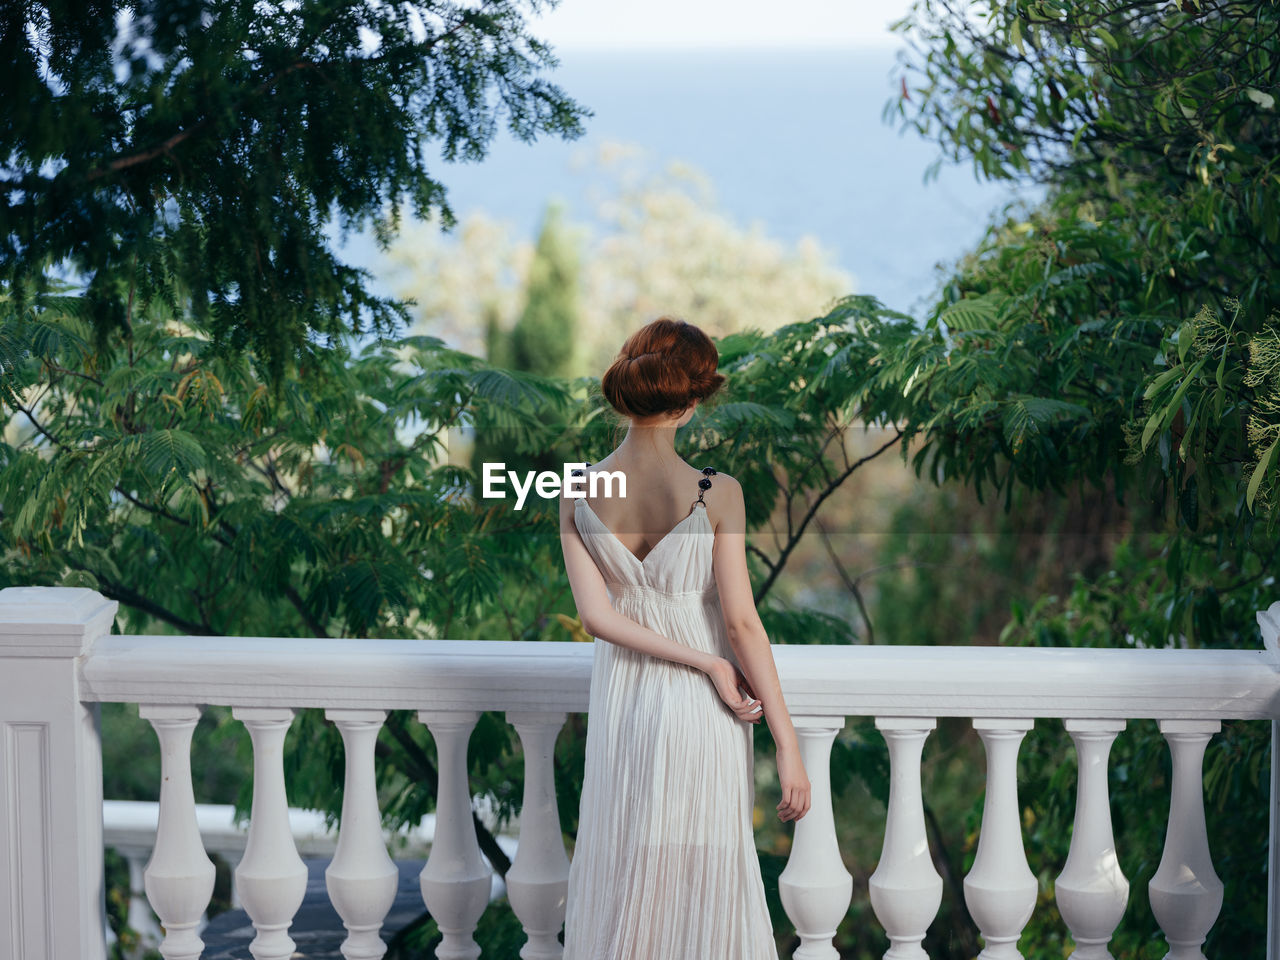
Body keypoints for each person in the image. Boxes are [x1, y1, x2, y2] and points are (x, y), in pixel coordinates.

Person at [558, 316, 811, 960]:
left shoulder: (575, 488)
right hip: (705, 713)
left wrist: (708, 665)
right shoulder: (716, 492)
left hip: (624, 703)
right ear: (693, 401)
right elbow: (741, 624)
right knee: (700, 876)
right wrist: (786, 743)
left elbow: (598, 619)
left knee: (627, 876)